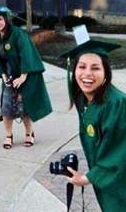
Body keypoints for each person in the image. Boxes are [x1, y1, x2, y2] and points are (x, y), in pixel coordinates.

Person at [60, 38, 126, 212]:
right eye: (82, 67)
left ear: (106, 73)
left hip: (120, 181)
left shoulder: (116, 104)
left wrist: (89, 177)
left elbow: (119, 151)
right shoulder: (83, 98)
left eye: (95, 68)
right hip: (107, 179)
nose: (87, 73)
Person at [0, 5, 52, 149]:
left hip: (24, 75)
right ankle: (8, 135)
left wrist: (23, 76)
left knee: (24, 107)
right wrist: (3, 75)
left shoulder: (18, 34)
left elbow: (26, 54)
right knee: (6, 107)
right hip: (9, 78)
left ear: (5, 20)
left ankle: (29, 133)